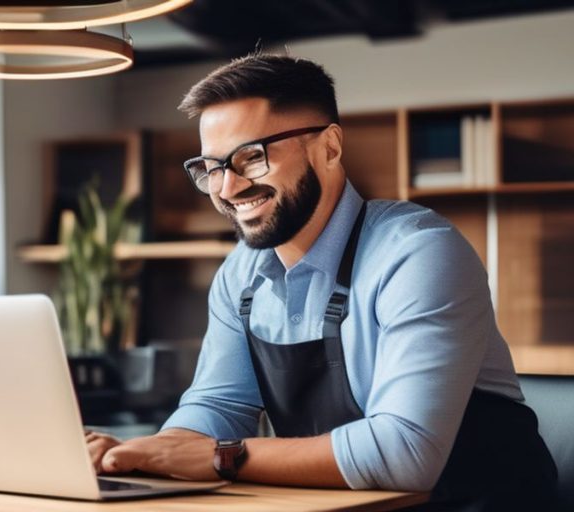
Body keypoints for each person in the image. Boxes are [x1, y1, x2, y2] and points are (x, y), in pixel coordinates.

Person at [85, 54, 558, 511]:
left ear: (329, 147)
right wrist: (137, 455)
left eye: (250, 157)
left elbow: (404, 453)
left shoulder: (418, 254)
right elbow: (218, 404)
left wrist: (219, 457)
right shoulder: (240, 276)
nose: (227, 188)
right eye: (211, 168)